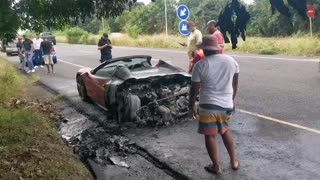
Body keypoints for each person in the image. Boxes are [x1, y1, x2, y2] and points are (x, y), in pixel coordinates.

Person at [189, 35, 240, 174]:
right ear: (217, 49)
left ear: (204, 51)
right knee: (225, 131)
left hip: (208, 106)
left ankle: (216, 166)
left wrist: (191, 105)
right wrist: (232, 99)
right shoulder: (231, 61)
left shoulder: (200, 65)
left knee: (210, 135)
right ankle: (234, 161)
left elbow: (194, 90)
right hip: (226, 104)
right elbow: (235, 84)